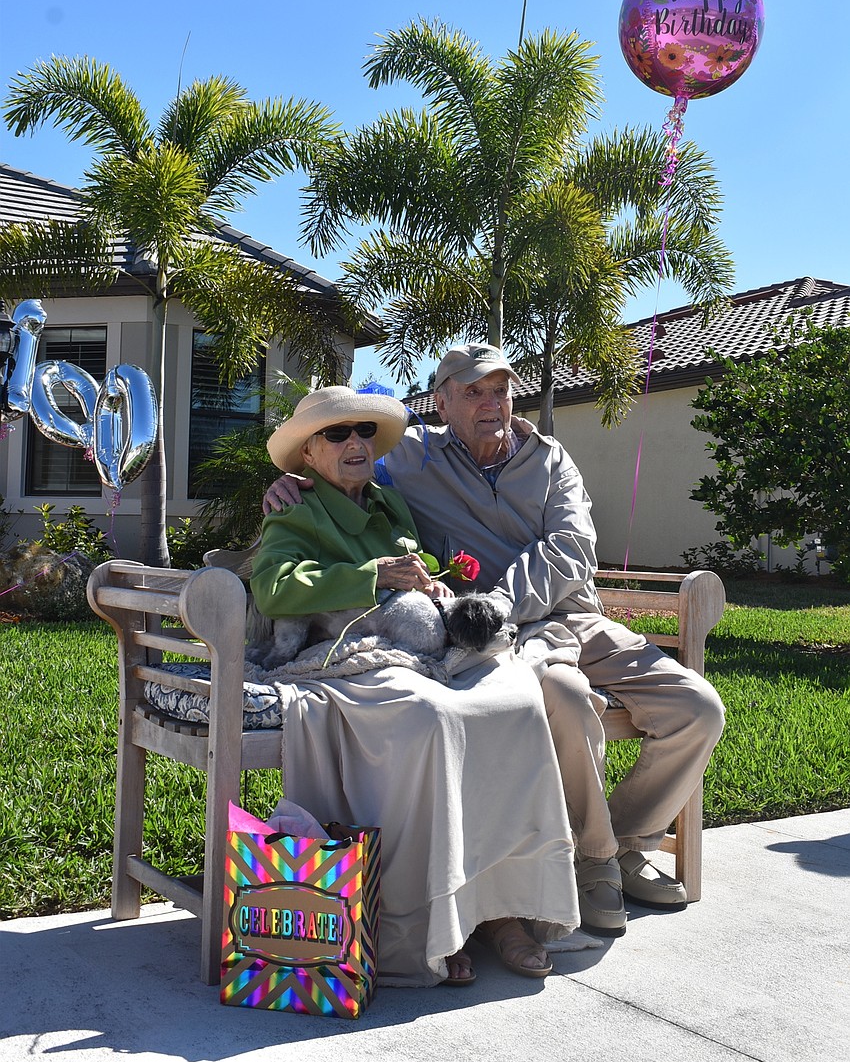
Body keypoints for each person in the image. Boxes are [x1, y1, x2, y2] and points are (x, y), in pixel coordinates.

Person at [264, 347, 726, 937]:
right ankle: (596, 863)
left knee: (697, 708)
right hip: (492, 639)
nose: (493, 404)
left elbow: (571, 550)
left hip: (569, 616)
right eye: (474, 392)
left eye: (502, 390)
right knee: (564, 695)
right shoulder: (410, 456)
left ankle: (625, 841)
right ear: (441, 402)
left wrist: (502, 602)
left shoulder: (551, 459)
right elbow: (340, 461)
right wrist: (285, 483)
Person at [250, 385, 580, 987]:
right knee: (433, 719)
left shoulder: (387, 502)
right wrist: (370, 576)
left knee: (516, 701)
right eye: (337, 434)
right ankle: (430, 922)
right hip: (347, 654)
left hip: (417, 649)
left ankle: (501, 909)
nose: (355, 443)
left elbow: (419, 561)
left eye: (364, 433)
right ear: (308, 454)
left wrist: (437, 587)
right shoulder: (294, 507)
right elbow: (274, 590)